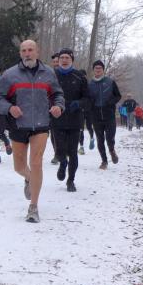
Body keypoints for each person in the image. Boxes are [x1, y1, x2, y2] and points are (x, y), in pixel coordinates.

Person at [0, 40, 64, 223]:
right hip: (18, 125)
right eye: (23, 50)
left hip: (41, 124)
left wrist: (58, 106)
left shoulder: (48, 73)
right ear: (20, 53)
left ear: (37, 52)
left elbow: (57, 94)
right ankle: (29, 178)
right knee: (19, 167)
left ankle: (33, 207)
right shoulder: (10, 75)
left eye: (30, 50)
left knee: (36, 162)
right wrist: (9, 108)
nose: (27, 53)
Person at [50, 49, 89, 192]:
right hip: (57, 118)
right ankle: (62, 163)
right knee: (59, 149)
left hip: (74, 119)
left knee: (73, 152)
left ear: (72, 60)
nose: (64, 60)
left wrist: (78, 104)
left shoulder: (80, 77)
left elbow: (87, 99)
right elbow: (45, 95)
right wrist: (51, 106)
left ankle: (71, 180)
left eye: (67, 58)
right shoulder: (52, 76)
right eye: (62, 58)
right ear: (58, 60)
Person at [86, 60, 121, 170]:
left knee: (110, 138)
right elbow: (86, 99)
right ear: (93, 70)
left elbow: (118, 96)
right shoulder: (89, 84)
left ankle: (112, 150)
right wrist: (90, 105)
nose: (98, 70)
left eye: (100, 68)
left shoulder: (110, 82)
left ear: (103, 70)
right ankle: (104, 161)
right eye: (96, 68)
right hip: (96, 115)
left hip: (109, 114)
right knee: (100, 139)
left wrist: (110, 102)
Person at [48, 52, 60, 164]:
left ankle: (64, 152)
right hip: (51, 107)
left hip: (64, 107)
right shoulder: (49, 74)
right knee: (53, 133)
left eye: (57, 62)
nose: (56, 64)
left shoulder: (67, 75)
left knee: (63, 132)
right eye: (54, 62)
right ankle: (57, 154)